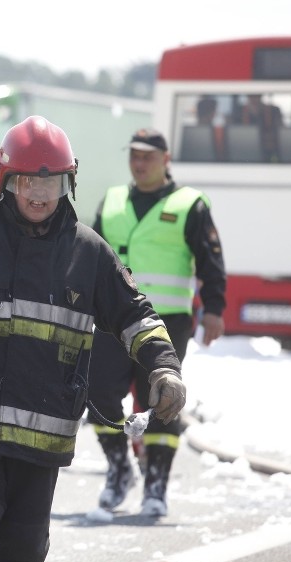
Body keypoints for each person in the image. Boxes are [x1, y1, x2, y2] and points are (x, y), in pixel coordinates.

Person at [0, 115, 187, 562]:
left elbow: (134, 313)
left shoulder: (88, 252)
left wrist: (164, 366)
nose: (39, 194)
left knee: (23, 554)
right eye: (27, 182)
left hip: (41, 450)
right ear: (5, 180)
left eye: (52, 183)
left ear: (68, 183)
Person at [87, 127, 226, 518]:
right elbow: (90, 257)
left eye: (148, 156)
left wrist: (213, 307)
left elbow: (211, 260)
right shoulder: (113, 199)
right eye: (134, 155)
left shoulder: (189, 204)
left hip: (168, 323)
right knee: (96, 393)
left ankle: (157, 484)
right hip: (113, 321)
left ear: (166, 160)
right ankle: (119, 469)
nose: (139, 162)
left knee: (163, 399)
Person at [234, 94, 283, 161]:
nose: (254, 99)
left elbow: (280, 132)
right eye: (251, 96)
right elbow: (235, 135)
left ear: (260, 96)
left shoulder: (273, 110)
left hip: (268, 152)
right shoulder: (239, 111)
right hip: (245, 151)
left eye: (256, 96)